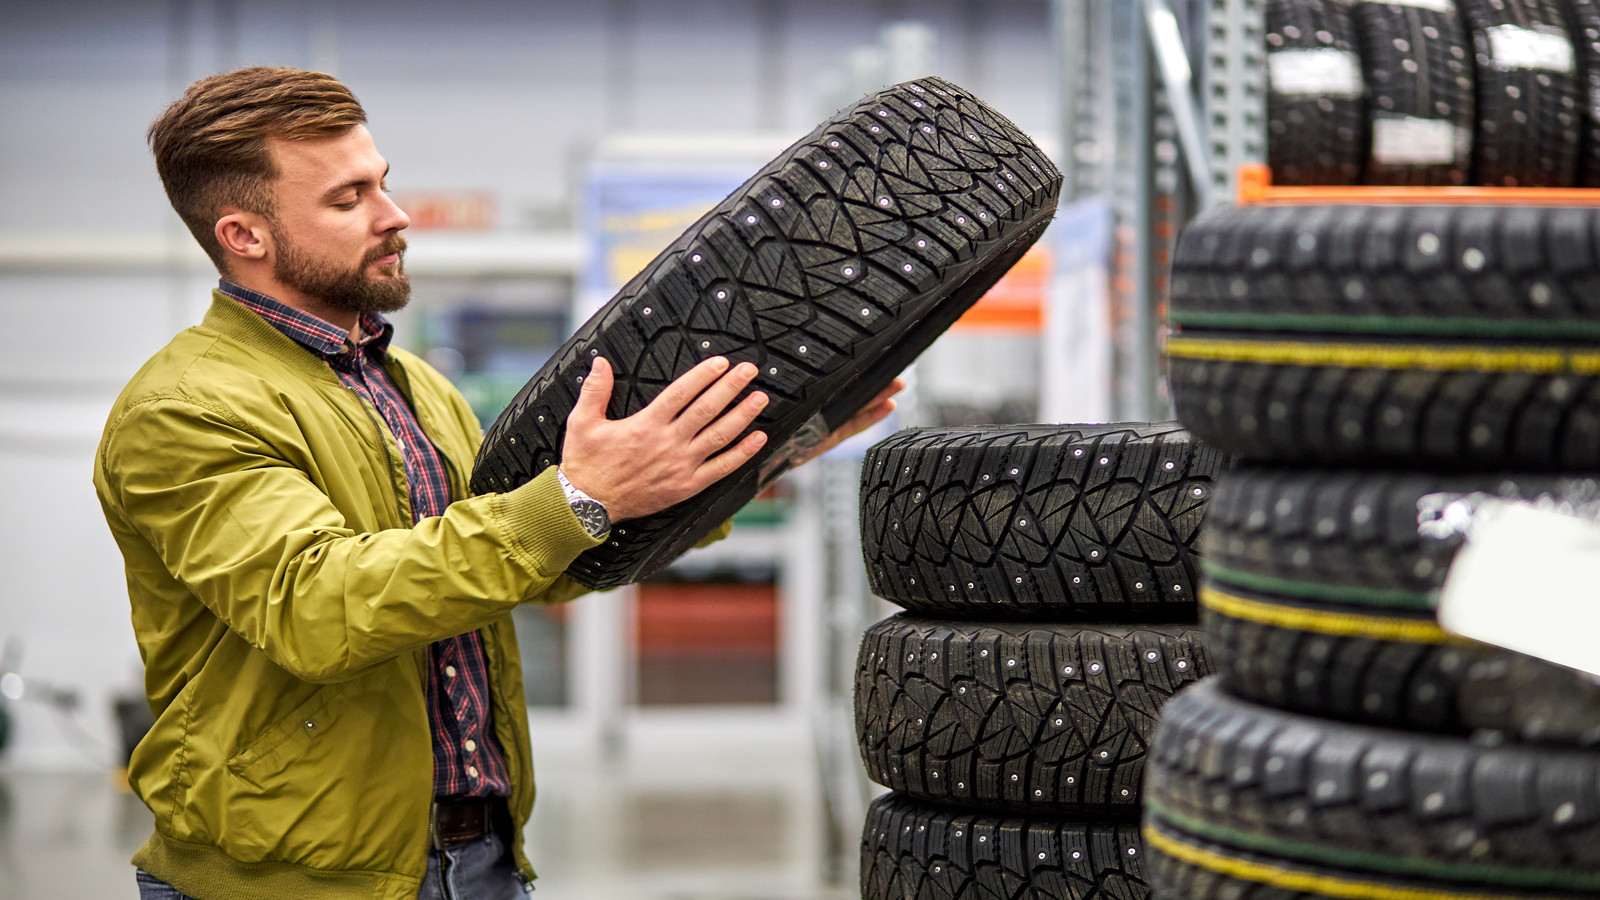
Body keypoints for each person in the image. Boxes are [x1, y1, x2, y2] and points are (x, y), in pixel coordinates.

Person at [94, 66, 901, 900]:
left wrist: (756, 459)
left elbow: (535, 562)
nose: (394, 215)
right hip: (284, 881)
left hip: (477, 858)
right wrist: (578, 497)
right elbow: (318, 608)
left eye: (384, 182)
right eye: (349, 199)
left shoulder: (411, 385)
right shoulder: (186, 407)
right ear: (245, 235)